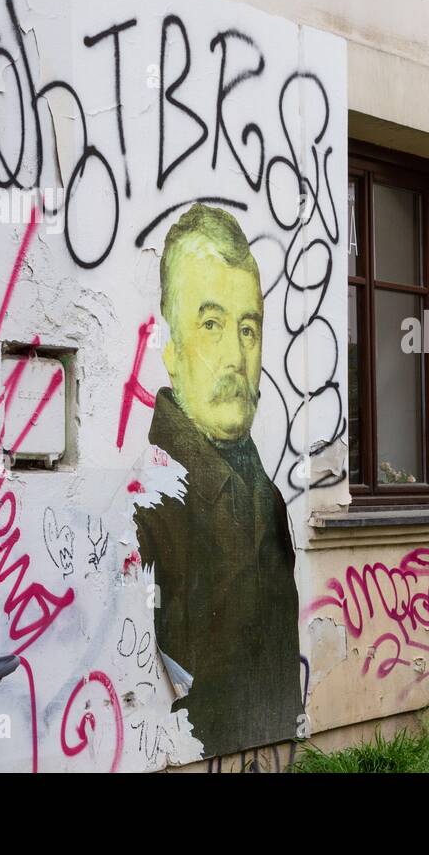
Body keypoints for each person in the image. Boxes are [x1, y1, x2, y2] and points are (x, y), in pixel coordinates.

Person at [134, 202, 302, 758]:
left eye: (248, 329)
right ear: (169, 346)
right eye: (210, 325)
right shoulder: (147, 511)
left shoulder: (268, 502)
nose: (235, 356)